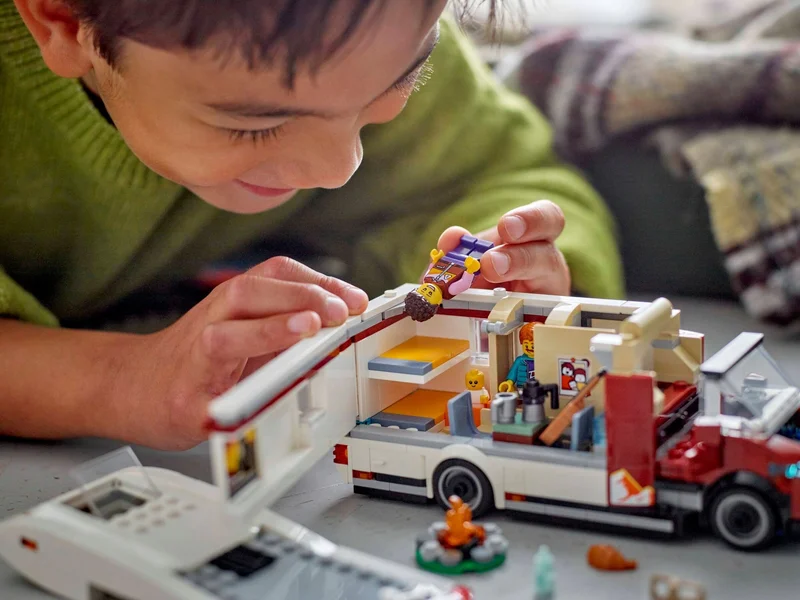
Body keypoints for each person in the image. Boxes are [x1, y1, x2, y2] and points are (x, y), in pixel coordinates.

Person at [0, 0, 623, 451]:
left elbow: (506, 175)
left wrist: (515, 264)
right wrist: (118, 380)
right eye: (256, 123)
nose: (339, 168)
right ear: (62, 22)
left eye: (400, 82)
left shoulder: (369, 24)